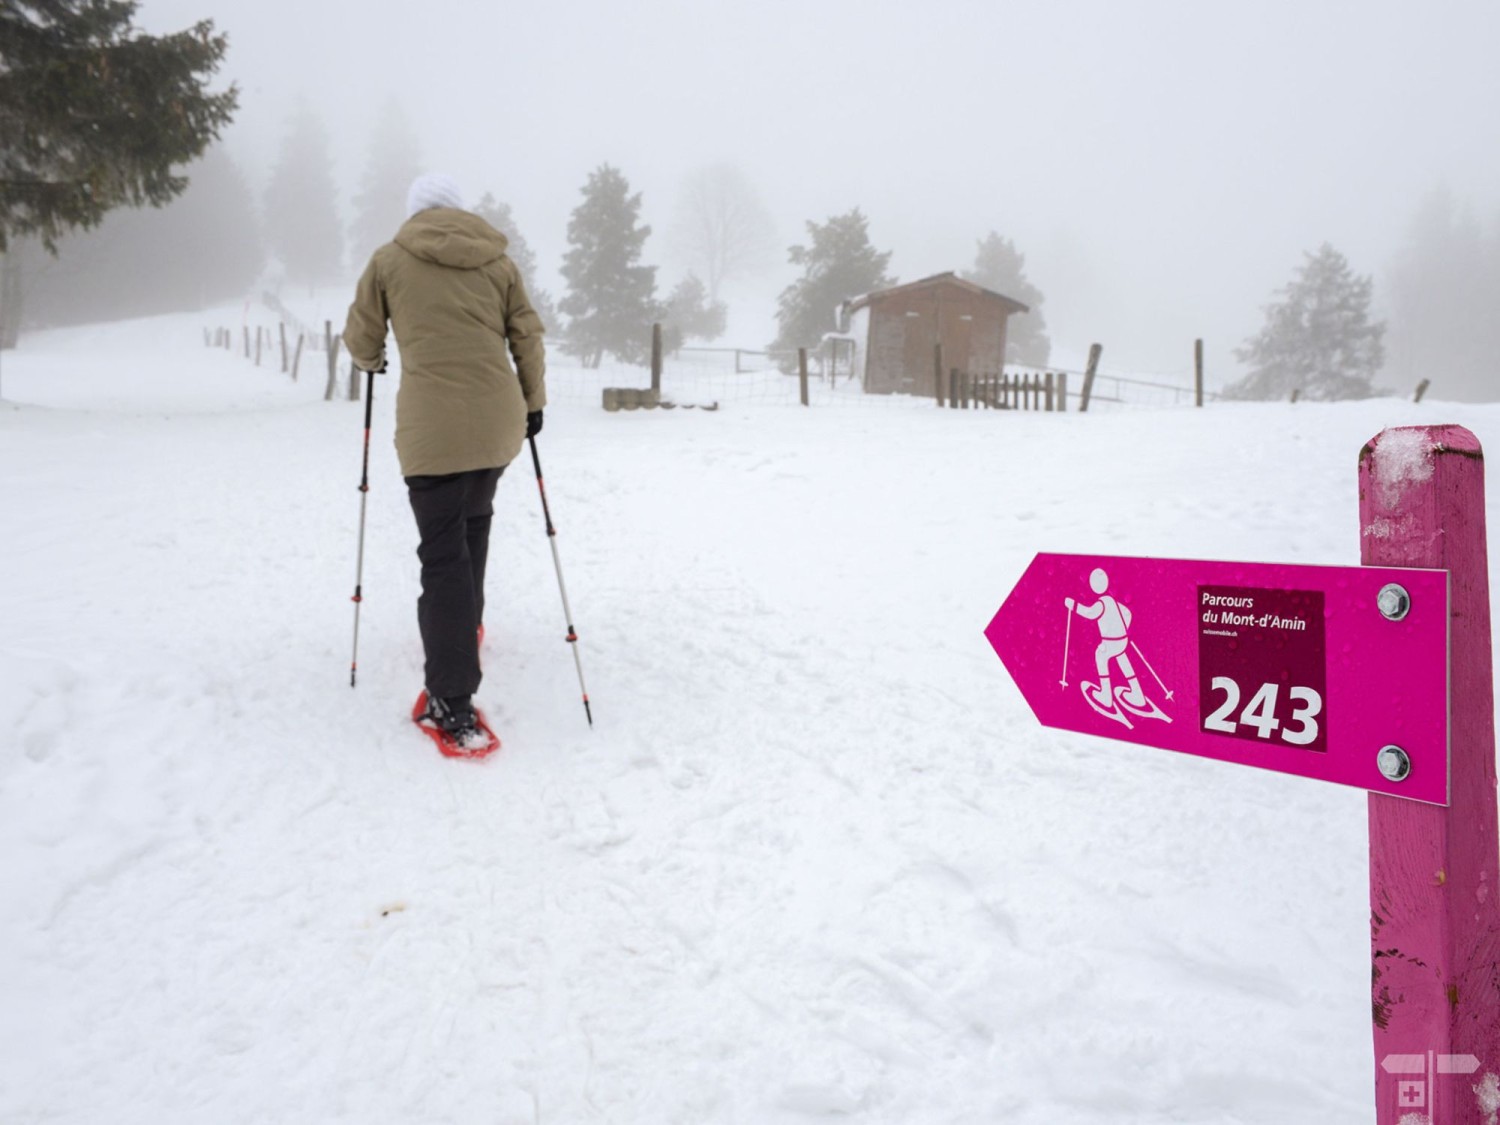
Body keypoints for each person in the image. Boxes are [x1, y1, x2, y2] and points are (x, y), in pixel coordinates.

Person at [343, 173, 546, 750]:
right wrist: (534, 403)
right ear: (459, 212)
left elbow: (361, 338)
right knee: (473, 521)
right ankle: (465, 628)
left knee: (443, 554)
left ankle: (450, 698)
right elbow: (526, 336)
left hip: (434, 431)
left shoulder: (388, 261)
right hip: (497, 422)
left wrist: (374, 357)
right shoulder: (498, 262)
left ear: (415, 213)